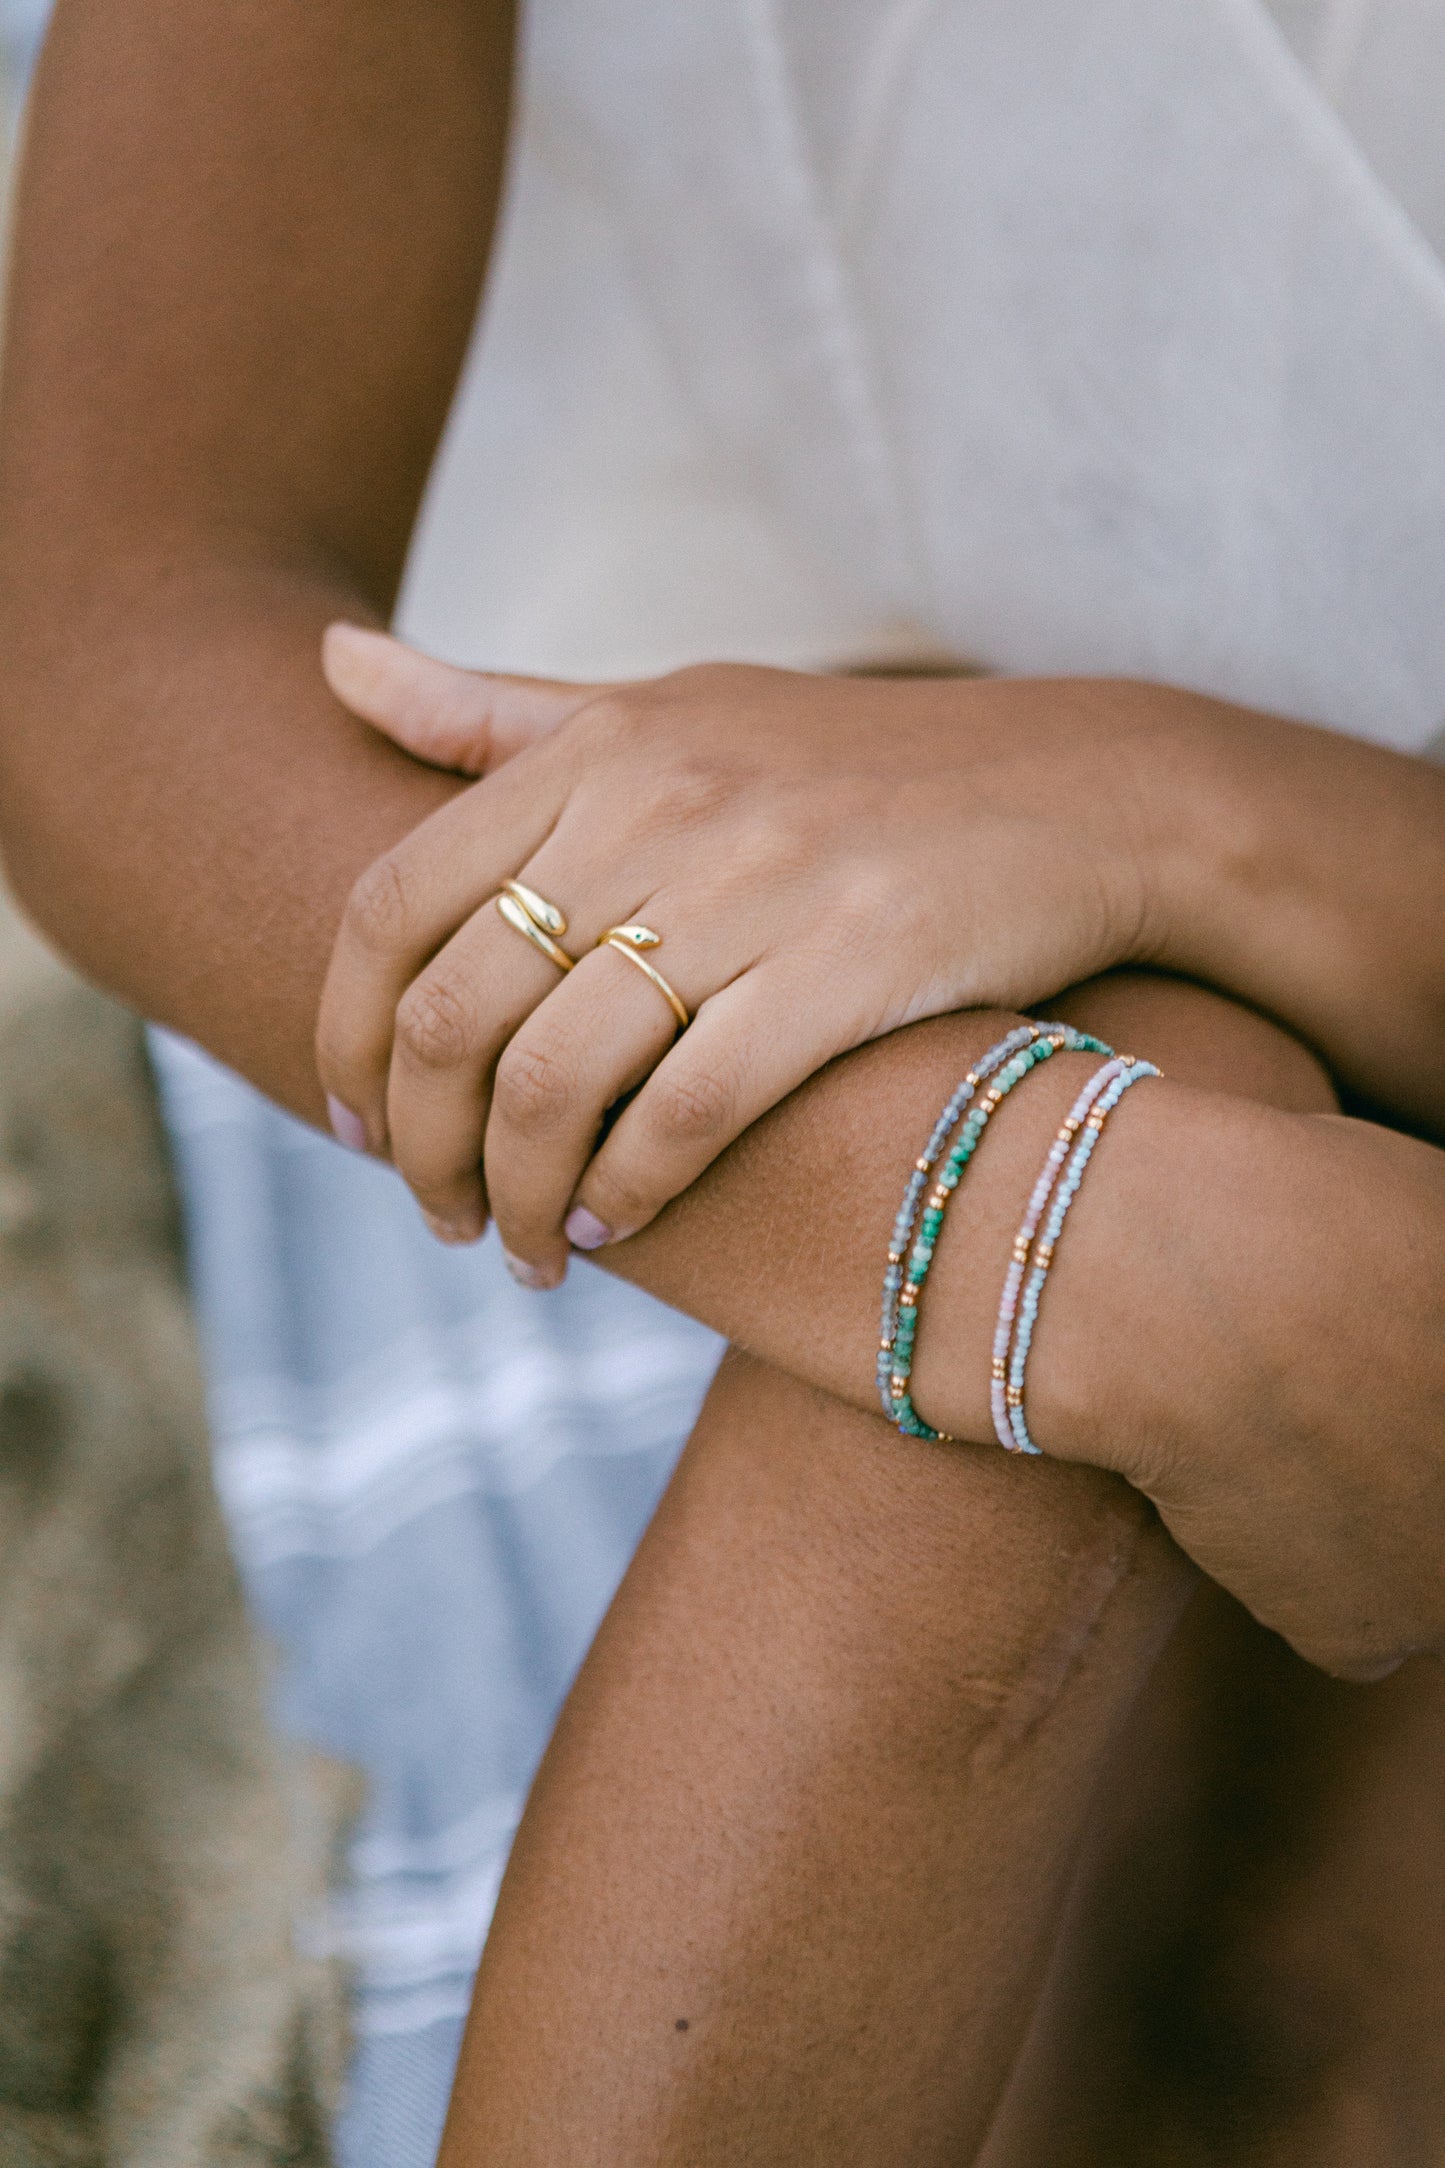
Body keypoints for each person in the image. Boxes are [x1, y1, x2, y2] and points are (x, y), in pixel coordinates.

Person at [0, 0, 1442, 2162]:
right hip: (831, 847)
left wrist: (1185, 806)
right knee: (1142, 1095)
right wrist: (1074, 1232)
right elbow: (114, 648)